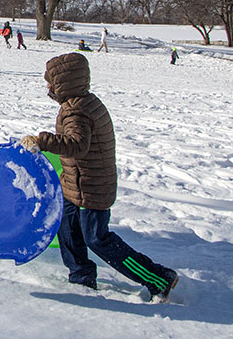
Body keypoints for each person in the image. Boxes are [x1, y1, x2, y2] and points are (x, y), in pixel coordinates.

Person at [19, 53, 178, 302]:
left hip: (91, 186)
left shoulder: (76, 111)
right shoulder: (83, 102)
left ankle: (158, 277)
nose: (47, 87)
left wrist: (42, 141)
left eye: (50, 81)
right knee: (67, 228)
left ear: (64, 82)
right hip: (75, 183)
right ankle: (81, 277)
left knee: (97, 238)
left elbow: (77, 144)